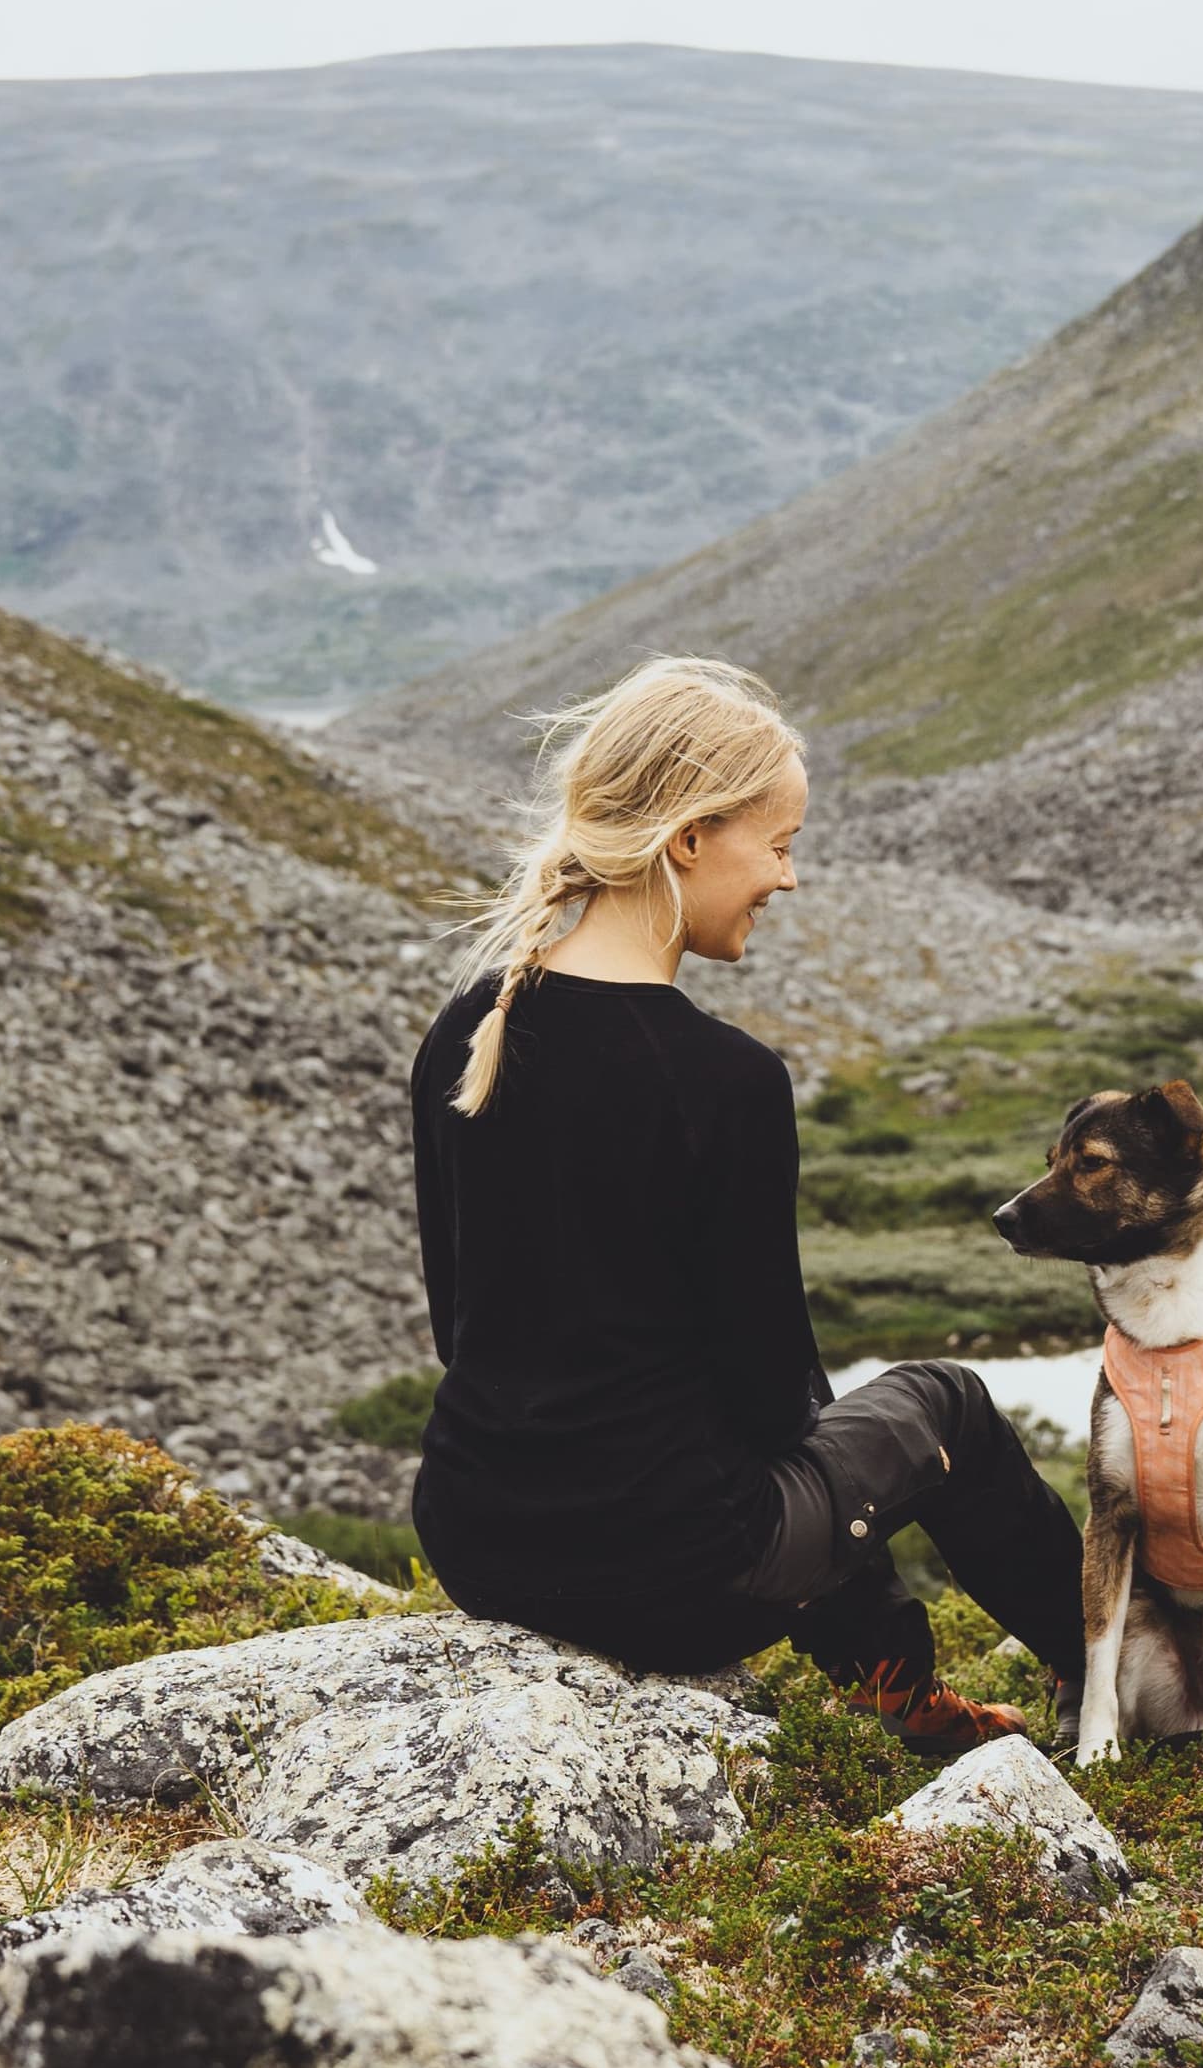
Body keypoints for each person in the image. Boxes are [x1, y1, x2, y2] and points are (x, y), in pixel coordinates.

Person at [405, 653, 1090, 1747]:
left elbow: (459, 1325)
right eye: (779, 845)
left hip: (478, 1539)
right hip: (674, 1578)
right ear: (688, 840)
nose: (787, 878)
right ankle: (1111, 1678)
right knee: (941, 1404)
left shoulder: (469, 1026)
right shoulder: (726, 1079)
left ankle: (904, 1686)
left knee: (776, 1438)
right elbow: (772, 1395)